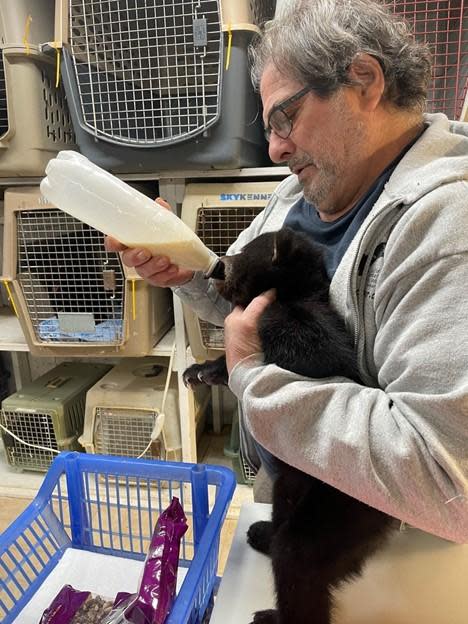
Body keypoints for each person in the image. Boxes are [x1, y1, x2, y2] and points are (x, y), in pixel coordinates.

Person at [106, 0, 468, 543]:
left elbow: (446, 478)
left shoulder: (446, 227)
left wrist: (252, 377)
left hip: (381, 548)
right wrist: (186, 270)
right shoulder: (300, 192)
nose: (275, 147)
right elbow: (242, 301)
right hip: (296, 498)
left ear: (364, 81)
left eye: (285, 117)